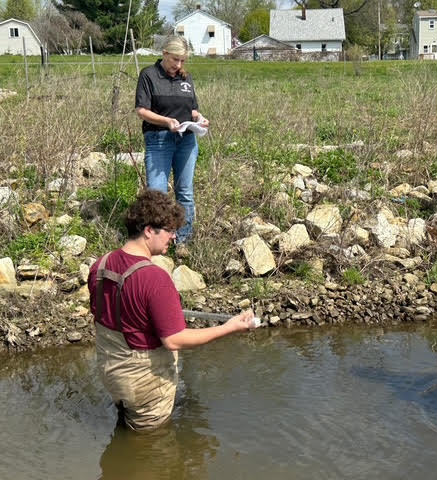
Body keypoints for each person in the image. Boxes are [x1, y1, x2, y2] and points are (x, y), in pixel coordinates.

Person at [88, 190, 257, 431]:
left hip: (111, 373)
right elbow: (175, 340)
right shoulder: (155, 278)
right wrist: (228, 328)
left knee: (125, 428)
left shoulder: (100, 264)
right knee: (152, 449)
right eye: (169, 230)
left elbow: (108, 314)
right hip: (145, 383)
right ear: (149, 231)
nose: (174, 237)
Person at [135, 35, 209, 255]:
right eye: (175, 59)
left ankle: (182, 240)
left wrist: (200, 119)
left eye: (183, 61)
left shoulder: (186, 79)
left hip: (186, 140)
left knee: (184, 191)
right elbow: (142, 111)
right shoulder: (148, 75)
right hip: (159, 140)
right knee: (156, 193)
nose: (178, 65)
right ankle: (155, 243)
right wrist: (166, 122)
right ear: (164, 53)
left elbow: (192, 110)